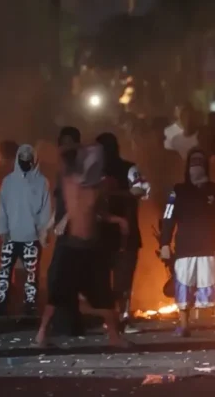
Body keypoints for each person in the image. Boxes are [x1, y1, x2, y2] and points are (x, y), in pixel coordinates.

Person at [36, 144, 129, 348]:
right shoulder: (73, 183)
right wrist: (55, 224)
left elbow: (97, 212)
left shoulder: (91, 187)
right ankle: (42, 334)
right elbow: (77, 207)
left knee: (103, 294)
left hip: (90, 249)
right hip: (73, 248)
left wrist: (118, 220)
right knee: (58, 295)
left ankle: (114, 336)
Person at [159, 148, 215, 337]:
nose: (196, 166)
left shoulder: (213, 189)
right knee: (183, 287)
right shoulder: (178, 190)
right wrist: (164, 243)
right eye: (193, 162)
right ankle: (184, 326)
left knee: (213, 286)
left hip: (208, 247)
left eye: (200, 162)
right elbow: (168, 217)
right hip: (185, 248)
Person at [96, 132, 150, 334]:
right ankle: (108, 319)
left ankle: (124, 319)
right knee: (101, 280)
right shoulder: (93, 171)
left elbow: (141, 190)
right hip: (100, 233)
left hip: (126, 234)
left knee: (124, 280)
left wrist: (113, 194)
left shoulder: (129, 168)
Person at [0, 144, 52, 316]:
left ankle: (30, 304)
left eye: (28, 159)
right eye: (22, 159)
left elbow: (45, 210)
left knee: (31, 274)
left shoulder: (42, 182)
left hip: (31, 237)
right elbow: (3, 208)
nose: (25, 162)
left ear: (34, 160)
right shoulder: (8, 182)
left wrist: (43, 231)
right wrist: (3, 229)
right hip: (10, 236)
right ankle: (0, 303)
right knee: (4, 271)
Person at [49, 127, 84, 335]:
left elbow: (79, 200)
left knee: (64, 275)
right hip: (63, 231)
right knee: (58, 275)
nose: (66, 147)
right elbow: (60, 202)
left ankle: (71, 324)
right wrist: (49, 223)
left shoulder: (79, 169)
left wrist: (64, 220)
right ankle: (64, 324)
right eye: (63, 142)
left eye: (70, 142)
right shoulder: (62, 170)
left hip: (76, 230)